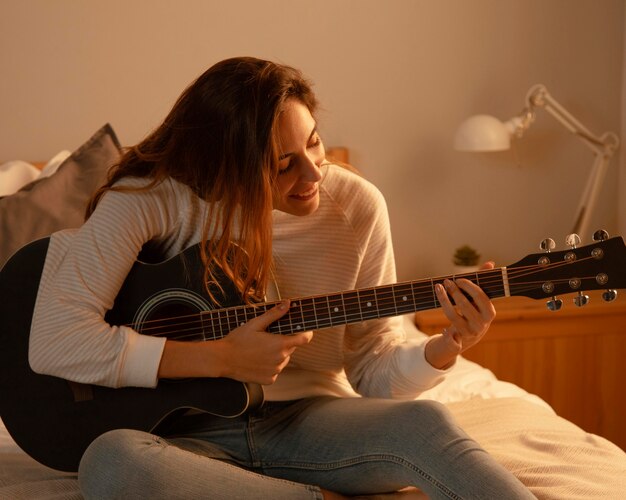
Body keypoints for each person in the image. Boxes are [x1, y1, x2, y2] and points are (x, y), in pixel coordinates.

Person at [29, 57, 535, 499]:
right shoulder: (147, 200)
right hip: (180, 434)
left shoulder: (356, 207)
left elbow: (372, 369)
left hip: (312, 422)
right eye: (283, 165)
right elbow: (55, 339)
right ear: (224, 167)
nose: (315, 174)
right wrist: (220, 357)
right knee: (112, 463)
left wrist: (446, 345)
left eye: (315, 143)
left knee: (425, 424)